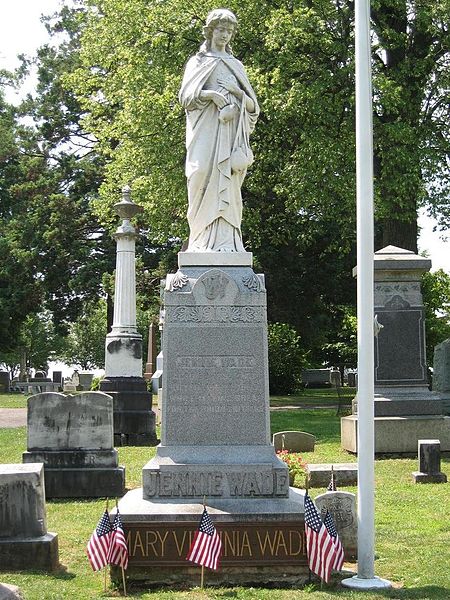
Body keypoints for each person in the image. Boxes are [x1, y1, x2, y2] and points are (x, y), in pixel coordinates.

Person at [179, 8, 259, 252]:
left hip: (231, 134)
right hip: (206, 129)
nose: (225, 35)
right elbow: (186, 97)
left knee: (230, 185)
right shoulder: (198, 62)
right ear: (210, 31)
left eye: (229, 31)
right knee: (200, 172)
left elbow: (254, 107)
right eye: (221, 29)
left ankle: (227, 242)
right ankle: (200, 240)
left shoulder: (236, 65)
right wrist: (212, 95)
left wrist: (237, 93)